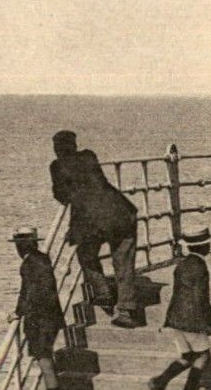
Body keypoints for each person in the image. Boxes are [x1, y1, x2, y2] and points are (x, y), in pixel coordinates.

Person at [50, 130, 143, 328]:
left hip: (91, 221)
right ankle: (125, 309)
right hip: (120, 213)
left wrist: (73, 228)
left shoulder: (57, 166)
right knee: (123, 261)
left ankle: (103, 293)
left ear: (57, 149)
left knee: (86, 254)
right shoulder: (89, 156)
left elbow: (62, 196)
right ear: (74, 146)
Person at [148, 227, 211, 390]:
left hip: (176, 319)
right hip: (193, 320)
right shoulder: (200, 267)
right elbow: (200, 299)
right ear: (205, 247)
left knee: (187, 357)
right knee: (203, 356)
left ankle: (159, 383)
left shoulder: (181, 265)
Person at [7, 227, 75, 390]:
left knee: (45, 364)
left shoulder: (28, 264)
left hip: (40, 321)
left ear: (20, 246)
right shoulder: (42, 259)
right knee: (47, 363)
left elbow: (29, 292)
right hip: (51, 318)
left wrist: (19, 312)